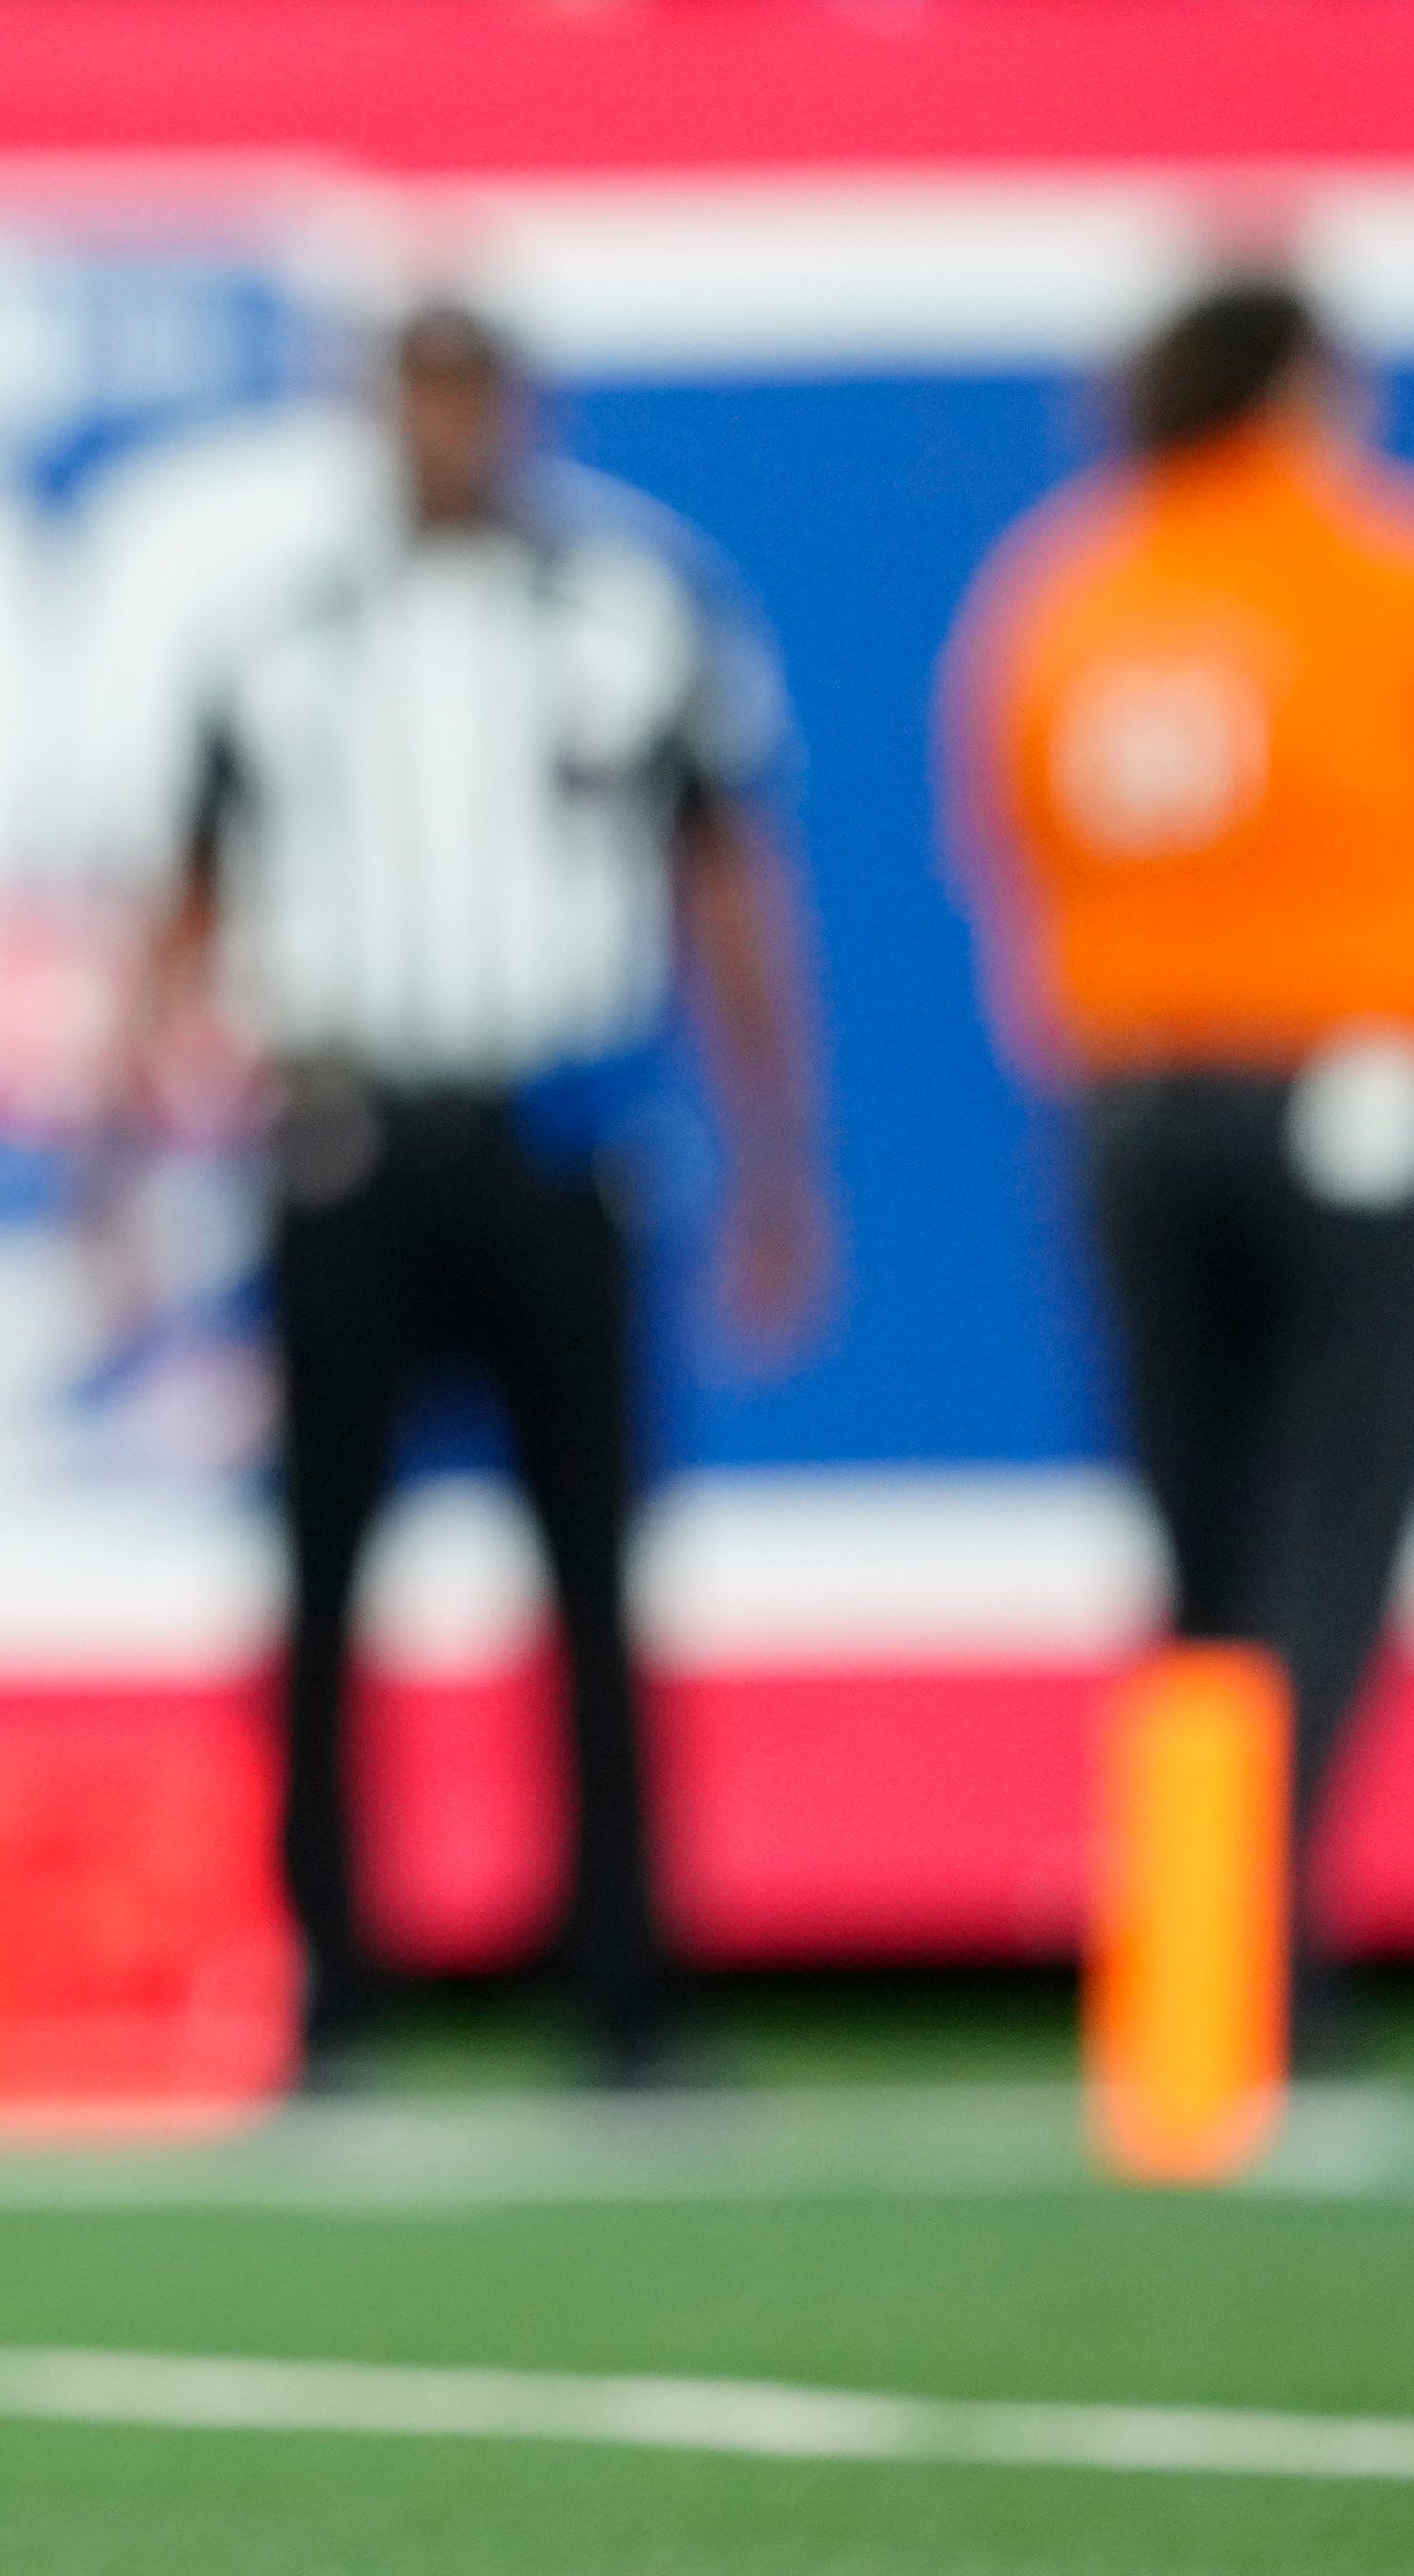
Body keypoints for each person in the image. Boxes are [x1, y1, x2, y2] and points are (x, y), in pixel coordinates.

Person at [107, 304, 833, 2093]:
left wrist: (778, 1159)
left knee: (594, 1576)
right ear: (378, 411)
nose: (441, 425)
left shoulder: (632, 609)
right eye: (412, 392)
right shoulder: (277, 629)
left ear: (518, 407)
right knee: (322, 1576)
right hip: (346, 1139)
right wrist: (111, 1150)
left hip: (557, 1140)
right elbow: (187, 894)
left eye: (468, 391)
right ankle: (330, 1985)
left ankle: (624, 1986)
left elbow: (731, 882)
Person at [942, 277, 1414, 2076]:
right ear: (1294, 386)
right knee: (1328, 1529)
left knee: (1200, 1541)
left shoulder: (1079, 586)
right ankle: (1250, 1953)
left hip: (1130, 1100)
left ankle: (1206, 1961)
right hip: (1346, 1086)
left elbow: (1009, 834)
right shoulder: (1363, 575)